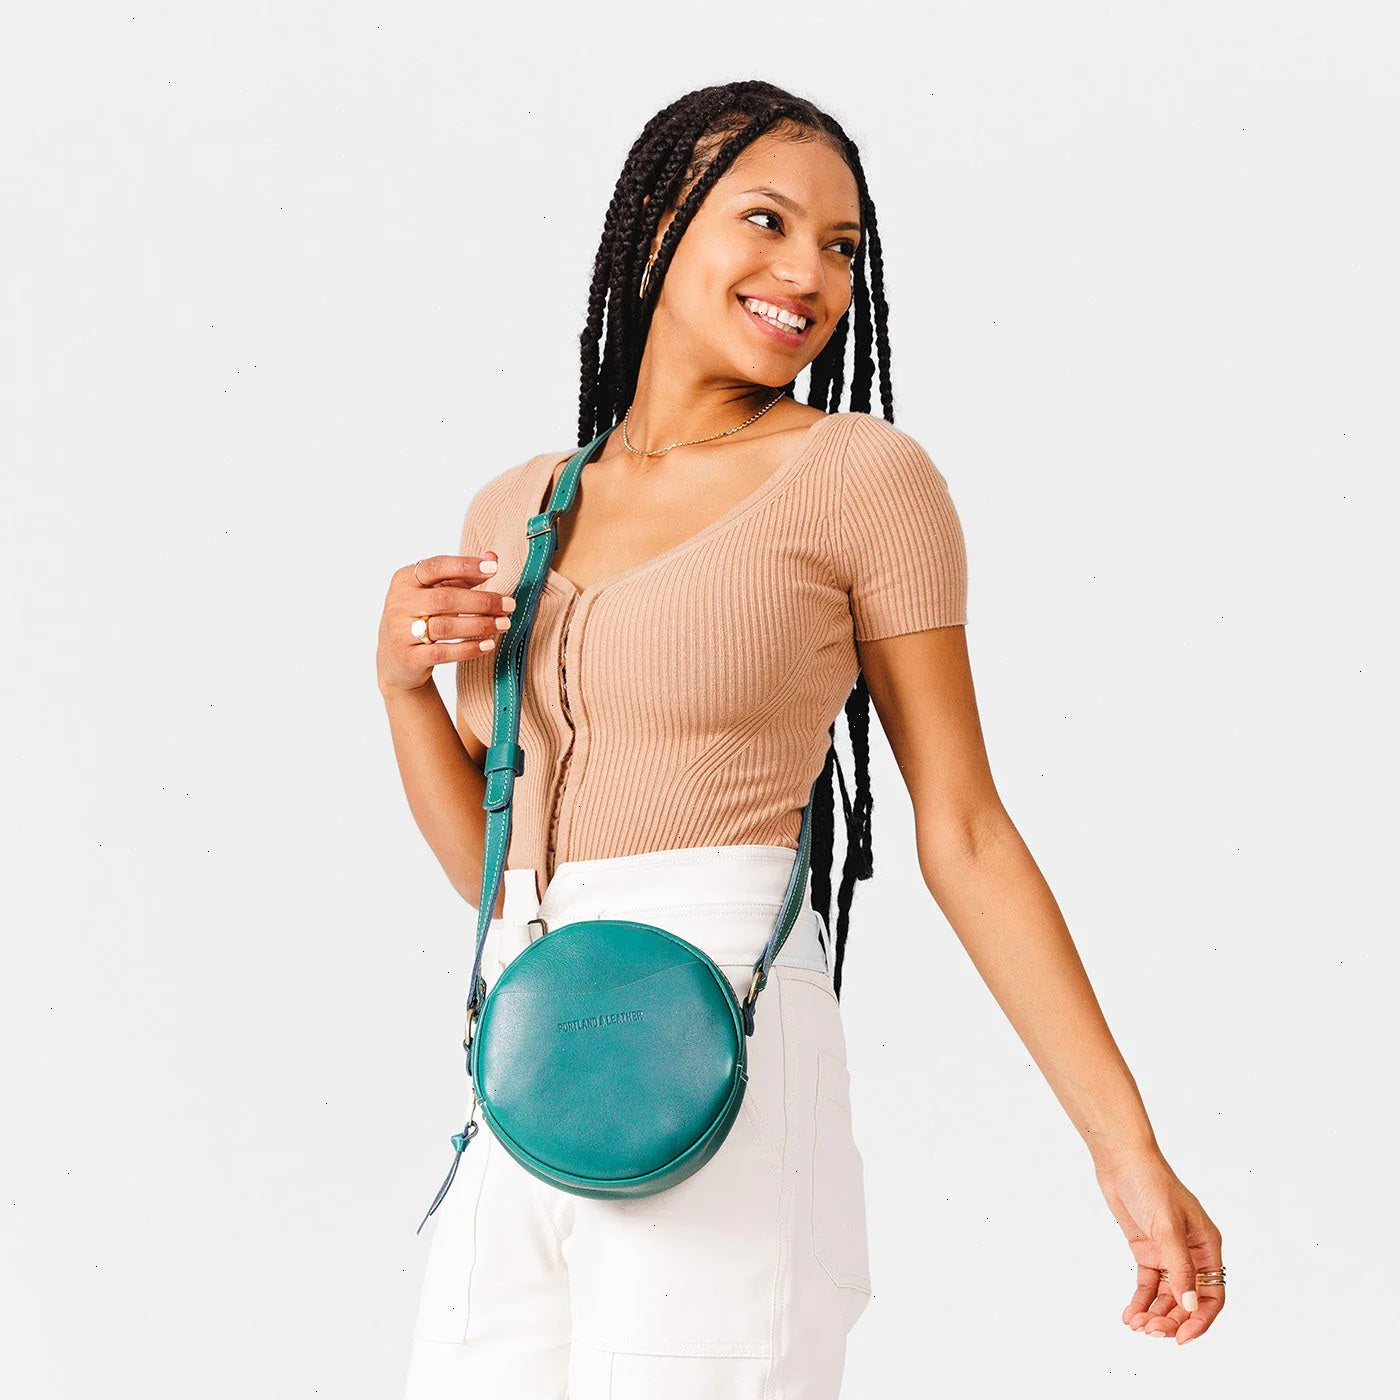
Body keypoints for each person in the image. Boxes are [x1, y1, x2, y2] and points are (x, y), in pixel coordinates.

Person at [376, 79, 1226, 1399]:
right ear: (655, 224)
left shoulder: (862, 477)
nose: (810, 276)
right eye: (766, 222)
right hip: (527, 1065)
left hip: (721, 1031)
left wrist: (1125, 1149)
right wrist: (400, 692)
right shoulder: (516, 505)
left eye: (840, 246)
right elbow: (491, 869)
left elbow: (964, 829)